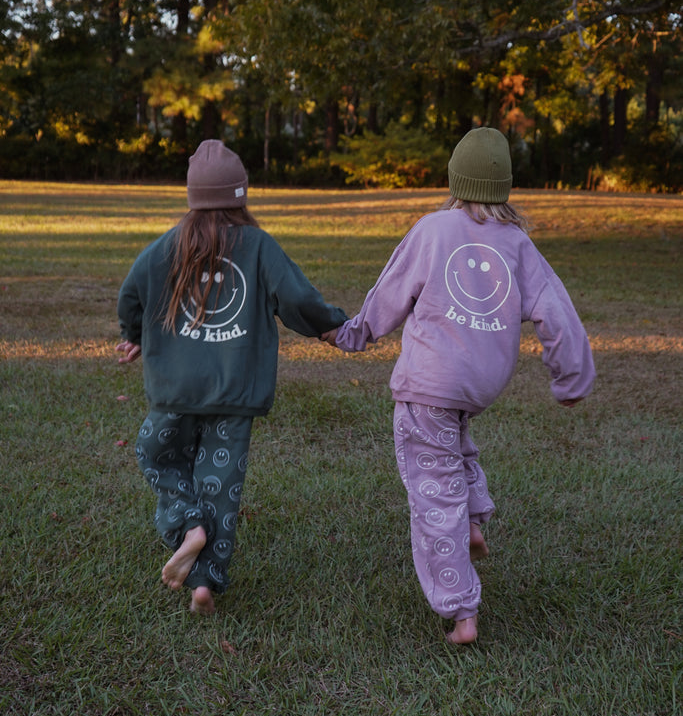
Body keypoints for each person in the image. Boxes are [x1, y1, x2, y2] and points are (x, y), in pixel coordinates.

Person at [322, 127, 595, 645]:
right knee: (453, 446)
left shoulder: (432, 229)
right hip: (478, 384)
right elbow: (557, 312)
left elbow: (390, 292)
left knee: (432, 493)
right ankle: (473, 519)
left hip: (429, 383)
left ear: (455, 179)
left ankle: (462, 611)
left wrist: (352, 333)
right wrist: (572, 377)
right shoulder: (518, 244)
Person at [117, 140, 347, 615]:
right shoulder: (259, 246)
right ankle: (205, 582)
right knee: (219, 484)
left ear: (192, 197)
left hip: (175, 392)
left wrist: (132, 332)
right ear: (241, 196)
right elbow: (297, 298)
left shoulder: (167, 246)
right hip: (236, 393)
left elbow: (131, 291)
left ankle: (186, 525)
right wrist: (327, 324)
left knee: (154, 452)